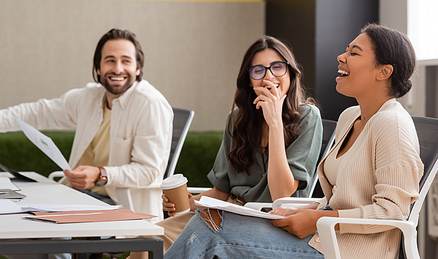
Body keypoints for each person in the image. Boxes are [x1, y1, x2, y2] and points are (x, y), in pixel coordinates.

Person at [164, 23, 424, 259]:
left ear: (384, 71)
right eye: (346, 50)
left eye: (354, 53)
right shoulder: (351, 117)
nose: (341, 57)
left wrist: (317, 218)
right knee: (206, 222)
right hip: (323, 237)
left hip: (348, 249)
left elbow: (393, 212)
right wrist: (306, 212)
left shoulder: (393, 125)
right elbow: (341, 199)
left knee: (209, 233)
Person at [131, 35, 323, 256]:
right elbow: (221, 193)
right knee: (146, 239)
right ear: (249, 80)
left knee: (196, 238)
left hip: (271, 221)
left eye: (277, 67)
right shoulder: (237, 119)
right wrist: (187, 203)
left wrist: (275, 124)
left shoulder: (308, 117)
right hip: (227, 213)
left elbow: (282, 194)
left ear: (290, 73)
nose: (269, 76)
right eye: (258, 70)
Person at [0, 28, 173, 219]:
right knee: (9, 208)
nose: (117, 69)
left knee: (24, 221)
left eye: (126, 61)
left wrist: (100, 174)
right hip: (75, 195)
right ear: (98, 68)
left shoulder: (150, 105)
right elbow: (39, 112)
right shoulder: (90, 97)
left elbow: (149, 171)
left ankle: (61, 249)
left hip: (118, 205)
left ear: (138, 68)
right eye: (110, 60)